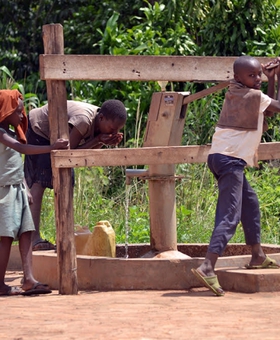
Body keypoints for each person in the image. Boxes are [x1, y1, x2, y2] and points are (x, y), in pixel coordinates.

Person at [191, 55, 280, 296]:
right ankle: (208, 266)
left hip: (222, 159)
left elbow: (269, 112)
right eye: (252, 76)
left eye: (258, 75)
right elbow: (276, 106)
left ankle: (257, 255)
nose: (258, 79)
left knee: (249, 204)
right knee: (229, 215)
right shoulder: (252, 95)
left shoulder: (239, 92)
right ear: (238, 77)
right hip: (230, 161)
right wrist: (278, 78)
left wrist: (272, 79)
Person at [24, 99, 127, 251]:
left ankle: (64, 237)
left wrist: (104, 142)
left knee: (67, 181)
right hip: (38, 130)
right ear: (101, 118)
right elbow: (69, 153)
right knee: (40, 181)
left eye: (117, 130)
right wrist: (98, 140)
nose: (113, 133)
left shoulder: (100, 122)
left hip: (57, 140)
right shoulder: (84, 120)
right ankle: (33, 239)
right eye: (112, 129)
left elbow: (79, 151)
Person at [0, 89, 69, 295]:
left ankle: (29, 279)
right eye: (18, 112)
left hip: (17, 187)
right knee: (5, 237)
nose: (22, 116)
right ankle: (0, 283)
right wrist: (52, 147)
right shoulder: (1, 133)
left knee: (27, 233)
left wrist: (25, 186)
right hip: (4, 190)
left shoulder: (10, 131)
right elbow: (21, 150)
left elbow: (14, 162)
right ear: (5, 111)